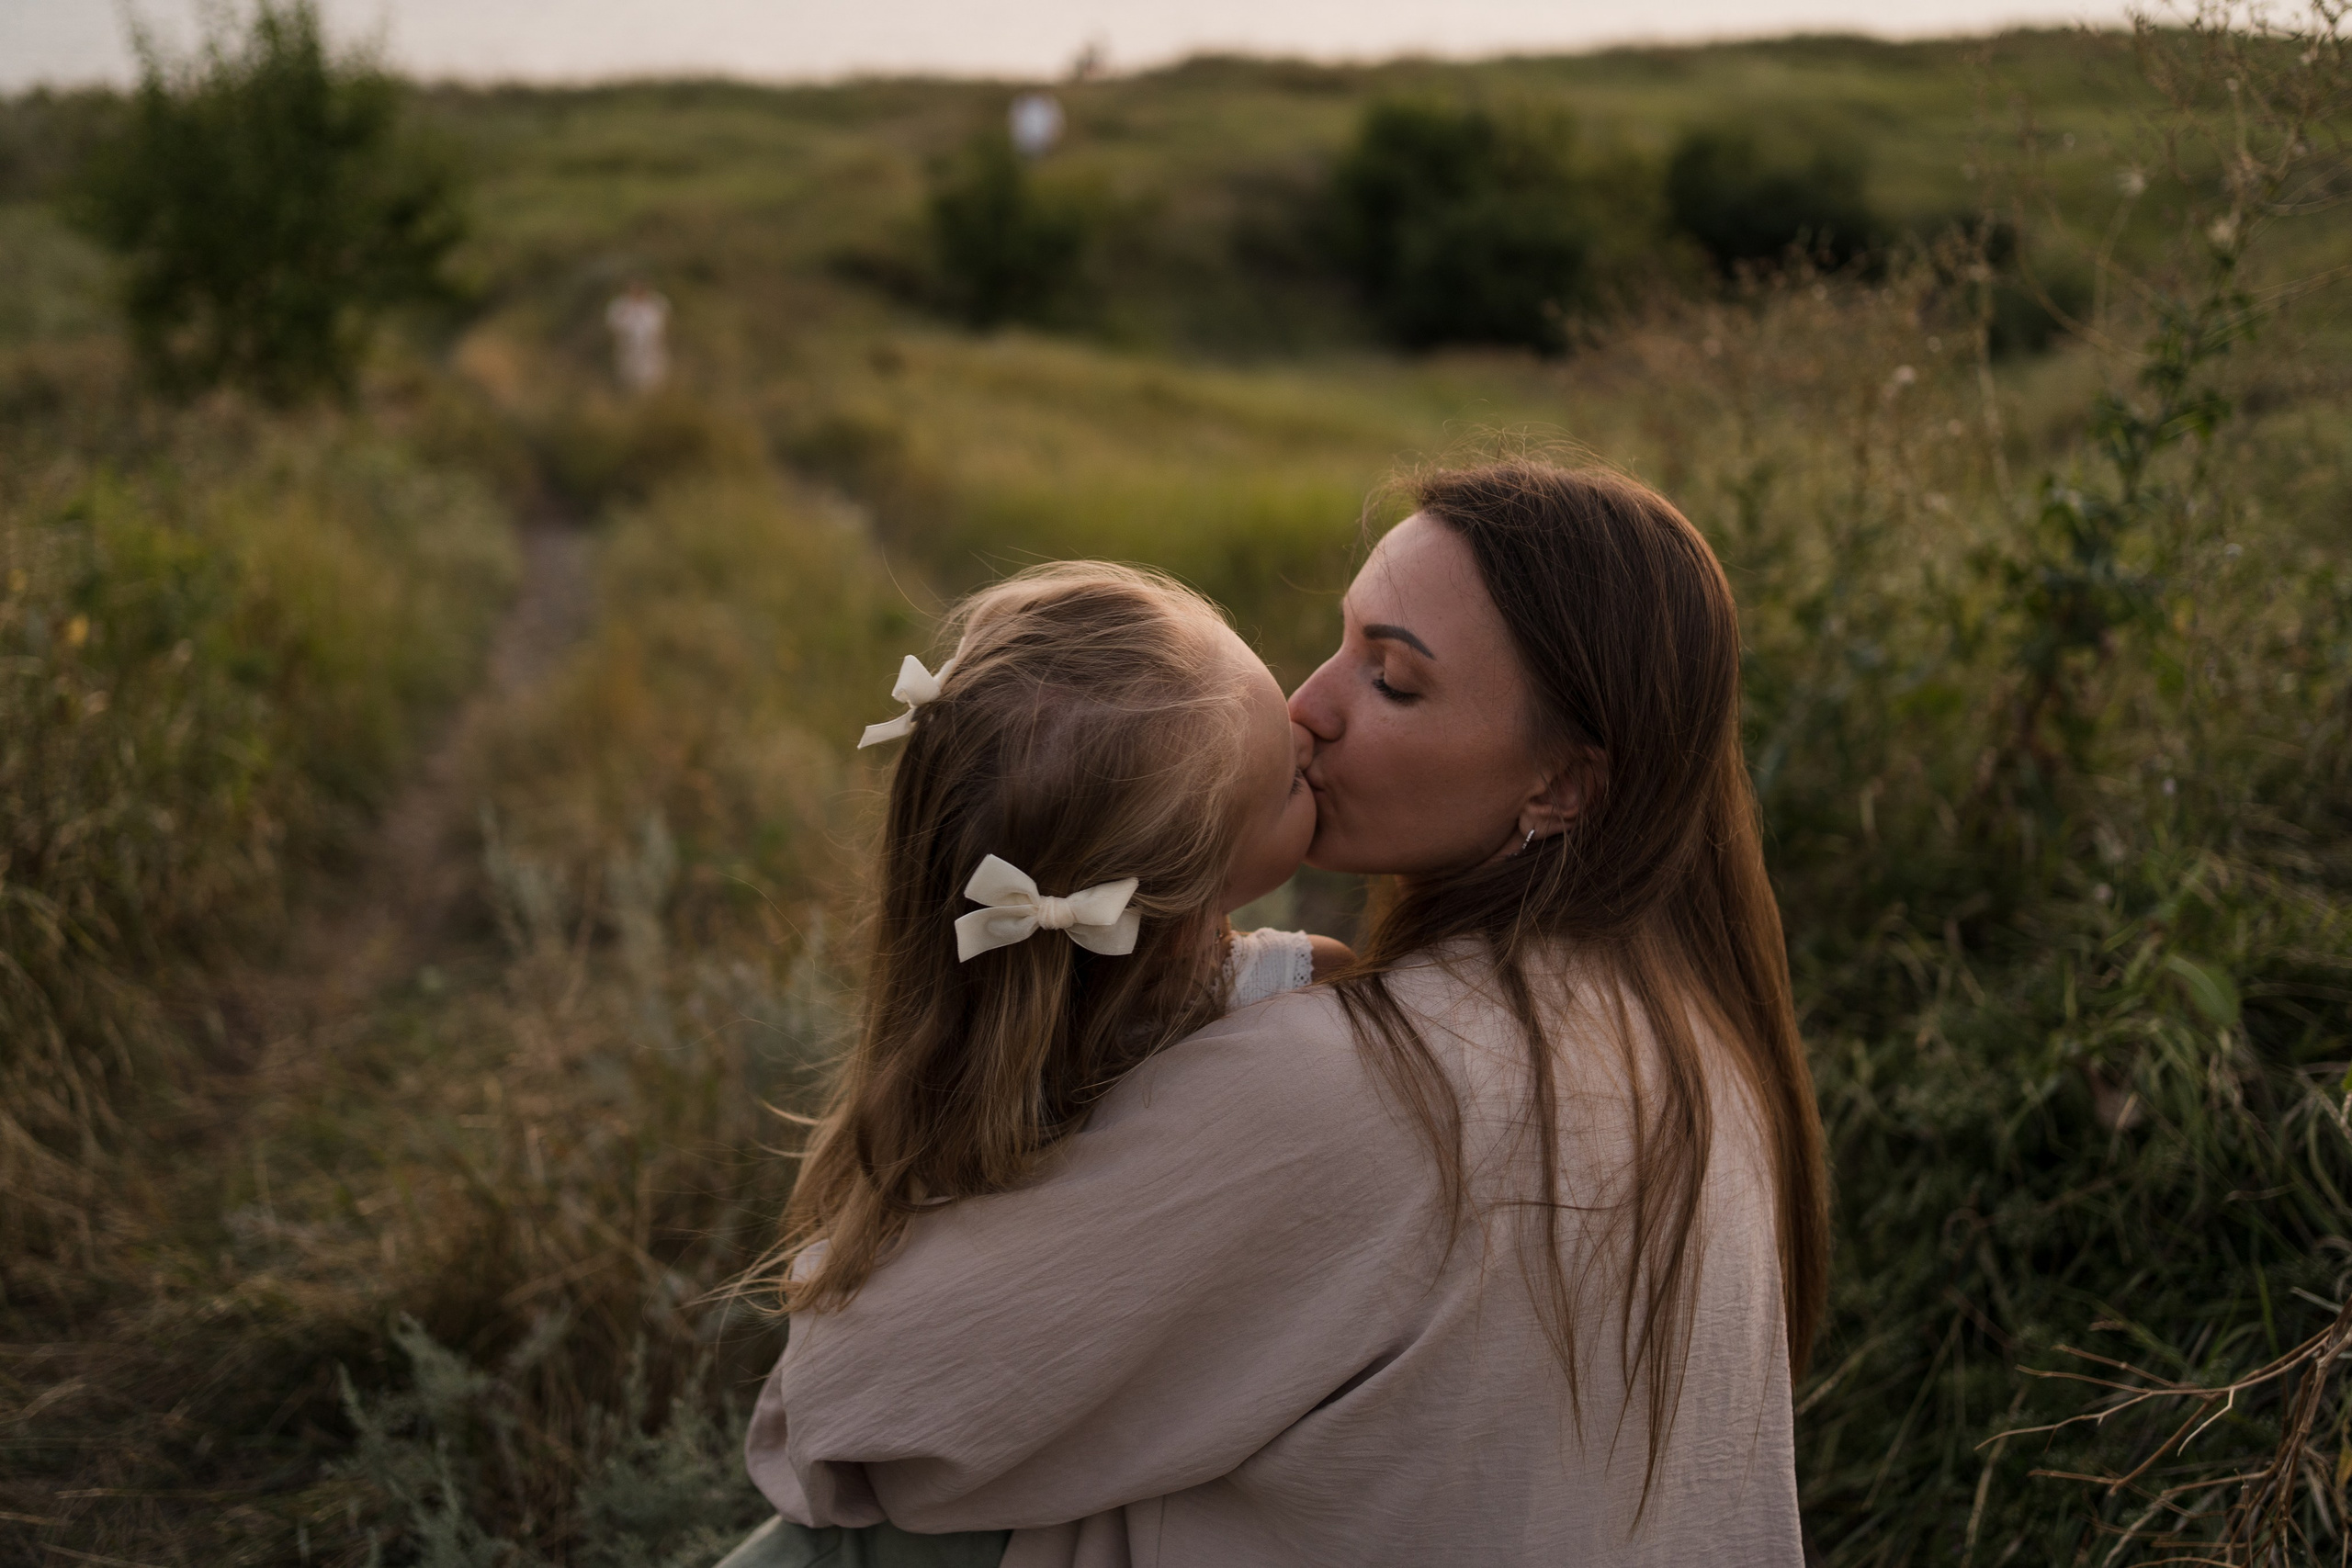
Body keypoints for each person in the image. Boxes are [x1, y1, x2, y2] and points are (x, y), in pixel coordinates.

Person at [738, 463, 1828, 1567]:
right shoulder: (1691, 1044)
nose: (1307, 708)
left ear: (1562, 789)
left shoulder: (1370, 1086)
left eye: (1392, 680)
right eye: (1342, 639)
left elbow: (849, 1418)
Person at [720, 561, 1350, 1568]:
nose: (1316, 738)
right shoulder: (1303, 993)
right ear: (1189, 886)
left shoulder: (949, 1051)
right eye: (1286, 780)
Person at [605, 278, 670, 393]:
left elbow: (665, 326)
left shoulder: (658, 304)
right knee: (628, 380)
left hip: (653, 352)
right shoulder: (620, 306)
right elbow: (613, 327)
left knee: (653, 382)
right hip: (628, 351)